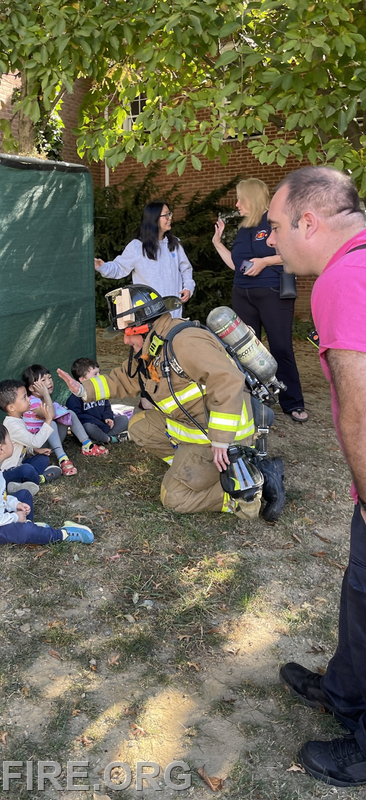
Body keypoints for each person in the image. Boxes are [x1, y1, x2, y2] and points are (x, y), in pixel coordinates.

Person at [268, 166, 366, 786]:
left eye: (276, 227)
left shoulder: (343, 280)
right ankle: (345, 691)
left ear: (310, 221)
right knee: (360, 596)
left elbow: (359, 401)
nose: (271, 240)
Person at [57, 284, 286, 522]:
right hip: (194, 429)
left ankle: (247, 487)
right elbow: (125, 378)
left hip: (223, 438)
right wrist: (85, 389)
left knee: (173, 497)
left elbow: (228, 379)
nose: (125, 341)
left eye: (127, 333)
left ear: (144, 327)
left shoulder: (184, 342)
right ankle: (190, 469)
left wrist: (221, 439)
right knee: (139, 426)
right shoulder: (153, 347)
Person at [212, 178, 307, 422]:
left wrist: (264, 262)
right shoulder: (245, 228)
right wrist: (218, 243)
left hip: (272, 293)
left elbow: (293, 253)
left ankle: (292, 402)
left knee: (280, 347)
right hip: (242, 294)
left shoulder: (273, 222)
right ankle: (252, 401)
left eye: (240, 199)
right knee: (244, 350)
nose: (237, 204)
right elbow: (236, 264)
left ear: (251, 198)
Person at [0, 422, 94, 545]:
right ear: (1, 449)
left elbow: (0, 499)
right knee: (26, 532)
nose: (12, 442)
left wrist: (16, 504)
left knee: (24, 495)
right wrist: (15, 517)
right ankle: (63, 534)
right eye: (10, 439)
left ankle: (27, 523)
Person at [94, 200, 195, 319]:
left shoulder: (174, 244)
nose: (170, 218)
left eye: (170, 214)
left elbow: (186, 269)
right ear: (154, 218)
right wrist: (102, 266)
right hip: (150, 316)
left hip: (175, 314)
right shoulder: (137, 246)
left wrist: (188, 287)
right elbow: (120, 267)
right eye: (166, 215)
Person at [22, 365, 108, 476]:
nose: (49, 382)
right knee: (51, 423)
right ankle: (62, 458)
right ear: (32, 388)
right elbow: (51, 416)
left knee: (69, 414)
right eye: (43, 380)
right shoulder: (31, 402)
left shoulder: (45, 399)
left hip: (50, 442)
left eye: (50, 378)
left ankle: (87, 445)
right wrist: (46, 395)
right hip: (39, 446)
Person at [0, 379, 62, 495]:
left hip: (18, 465)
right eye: (24, 397)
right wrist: (48, 419)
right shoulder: (12, 425)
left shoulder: (17, 419)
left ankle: (18, 485)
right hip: (6, 472)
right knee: (26, 469)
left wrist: (35, 450)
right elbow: (35, 441)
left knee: (43, 458)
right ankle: (40, 479)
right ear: (11, 408)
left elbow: (21, 444)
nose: (29, 399)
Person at [66, 358, 129, 445]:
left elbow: (107, 407)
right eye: (95, 374)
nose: (99, 376)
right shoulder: (75, 398)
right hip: (91, 427)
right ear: (83, 379)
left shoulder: (100, 391)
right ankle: (109, 439)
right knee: (89, 427)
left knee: (124, 419)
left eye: (99, 372)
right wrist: (99, 423)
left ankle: (102, 438)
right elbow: (77, 418)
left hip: (104, 425)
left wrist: (108, 418)